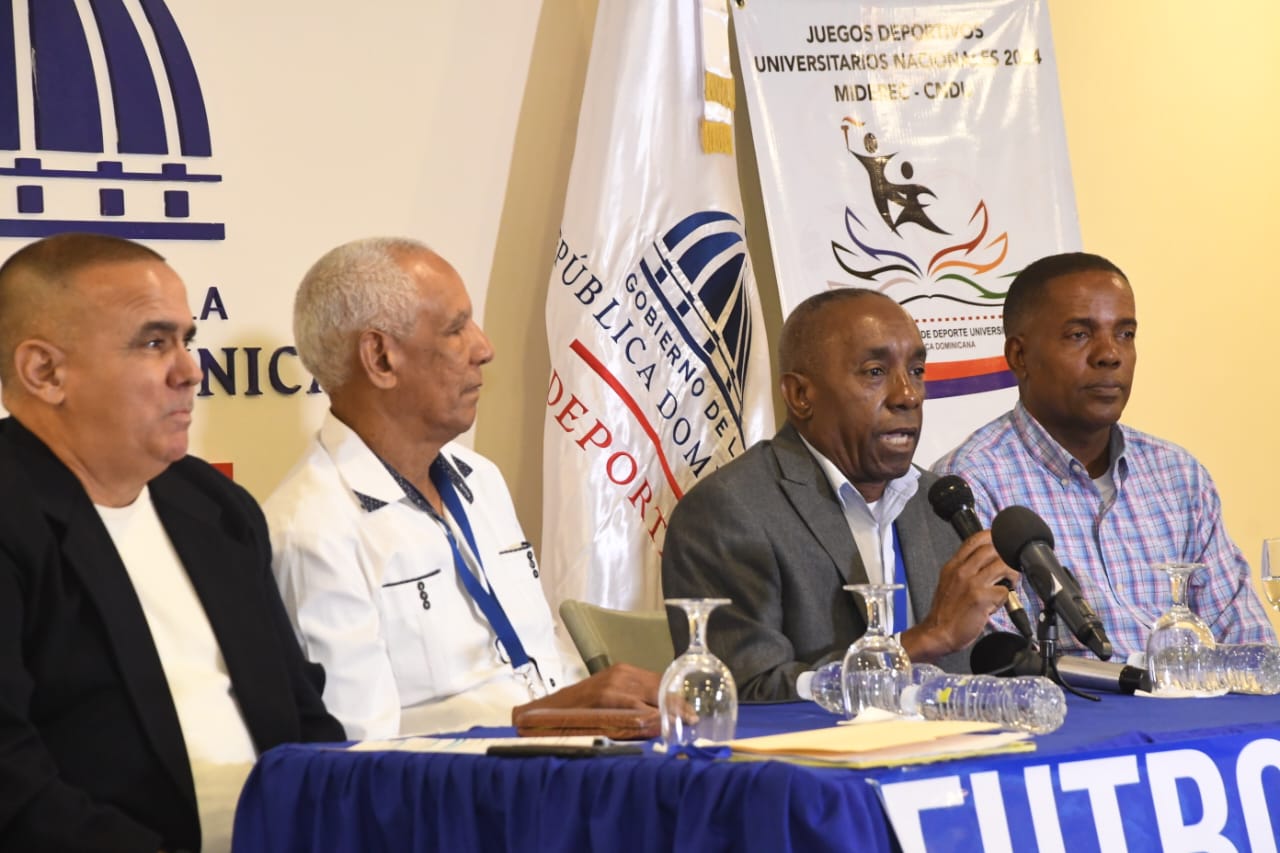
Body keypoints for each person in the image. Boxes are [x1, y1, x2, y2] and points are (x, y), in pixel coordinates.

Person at [0, 233, 344, 853]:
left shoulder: (215, 506)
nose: (190, 371)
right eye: (155, 342)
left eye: (188, 340)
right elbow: (11, 785)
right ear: (44, 372)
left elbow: (302, 716)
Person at [265, 237, 658, 739]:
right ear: (381, 358)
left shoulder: (480, 478)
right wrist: (533, 724)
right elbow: (362, 761)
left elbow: (546, 668)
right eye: (456, 329)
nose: (484, 348)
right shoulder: (312, 531)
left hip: (568, 772)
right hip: (461, 806)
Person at [661, 288, 1019, 701]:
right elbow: (743, 692)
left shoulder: (936, 504)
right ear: (800, 395)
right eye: (874, 372)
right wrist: (925, 640)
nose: (909, 395)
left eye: (917, 371)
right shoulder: (729, 511)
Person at [935, 251, 1275, 660]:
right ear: (1019, 357)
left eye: (1125, 334)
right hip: (1079, 718)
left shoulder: (1179, 476)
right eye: (1080, 335)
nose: (1109, 354)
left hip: (1194, 715)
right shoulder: (973, 481)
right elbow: (1005, 663)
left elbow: (1250, 646)